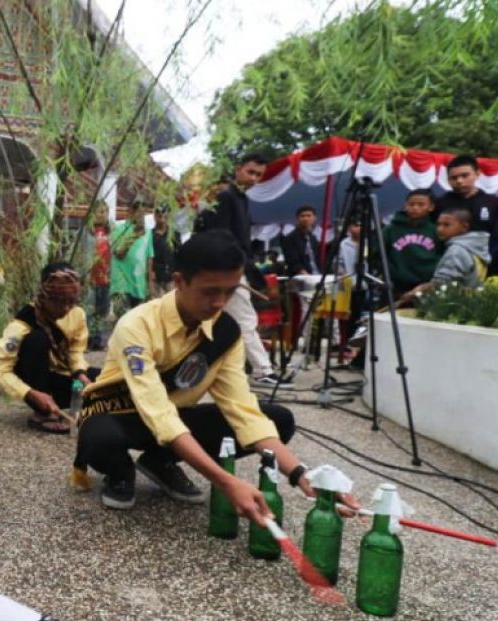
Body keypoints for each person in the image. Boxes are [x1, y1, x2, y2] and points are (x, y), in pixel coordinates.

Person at [71, 230, 348, 520]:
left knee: (278, 420)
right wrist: (226, 481)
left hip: (174, 416)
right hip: (121, 414)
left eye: (230, 292)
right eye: (210, 291)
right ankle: (120, 471)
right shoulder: (136, 326)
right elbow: (158, 413)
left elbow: (243, 411)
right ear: (179, 281)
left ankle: (159, 461)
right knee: (101, 437)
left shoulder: (225, 332)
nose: (220, 302)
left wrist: (301, 473)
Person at [196, 155, 285, 387]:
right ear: (238, 169)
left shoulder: (239, 198)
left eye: (258, 175)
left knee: (217, 321)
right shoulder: (227, 197)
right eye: (251, 172)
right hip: (228, 268)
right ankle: (262, 369)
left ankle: (213, 368)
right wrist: (233, 270)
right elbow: (222, 236)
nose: (254, 178)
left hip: (231, 267)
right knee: (244, 319)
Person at [0, 263, 98, 434]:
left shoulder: (77, 314)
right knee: (36, 339)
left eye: (70, 302)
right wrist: (30, 393)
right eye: (57, 302)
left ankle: (74, 404)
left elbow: (75, 350)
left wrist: (80, 373)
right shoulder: (22, 324)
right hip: (38, 383)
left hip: (65, 377)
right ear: (43, 295)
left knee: (111, 380)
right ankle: (42, 414)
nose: (64, 308)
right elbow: (1, 370)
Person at [397, 208, 490, 304]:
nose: (440, 229)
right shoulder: (475, 246)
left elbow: (441, 283)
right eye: (438, 224)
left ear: (464, 227)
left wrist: (415, 292)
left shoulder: (456, 251)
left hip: (456, 306)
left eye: (446, 225)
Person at [436, 154, 498, 264]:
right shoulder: (440, 203)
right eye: (453, 178)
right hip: (448, 263)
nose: (459, 181)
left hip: (485, 265)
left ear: (477, 174)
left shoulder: (492, 203)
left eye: (465, 176)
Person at [384, 189, 440, 298]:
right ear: (405, 205)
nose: (415, 208)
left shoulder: (435, 230)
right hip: (396, 285)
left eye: (421, 205)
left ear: (431, 207)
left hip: (426, 285)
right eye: (411, 204)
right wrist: (391, 272)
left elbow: (442, 254)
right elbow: (378, 254)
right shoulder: (391, 229)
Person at [109, 202, 154, 316]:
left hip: (139, 285)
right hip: (121, 285)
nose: (140, 215)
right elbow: (119, 253)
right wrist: (134, 236)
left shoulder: (148, 233)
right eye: (137, 210)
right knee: (123, 322)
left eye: (143, 211)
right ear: (129, 211)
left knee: (137, 324)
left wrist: (150, 287)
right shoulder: (118, 230)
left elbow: (149, 259)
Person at [89, 204, 113, 349]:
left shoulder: (111, 234)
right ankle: (89, 339)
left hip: (106, 277)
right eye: (99, 211)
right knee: (90, 310)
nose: (102, 214)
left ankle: (98, 340)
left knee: (102, 310)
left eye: (105, 211)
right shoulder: (87, 233)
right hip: (91, 277)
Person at [281, 206, 325, 276]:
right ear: (297, 219)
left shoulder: (313, 238)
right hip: (301, 277)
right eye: (302, 216)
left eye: (309, 216)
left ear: (314, 218)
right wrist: (307, 276)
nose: (305, 218)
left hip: (317, 275)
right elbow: (293, 263)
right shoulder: (290, 238)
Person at [151, 206, 177, 296]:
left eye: (164, 212)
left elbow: (179, 254)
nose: (161, 214)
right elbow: (147, 256)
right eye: (158, 212)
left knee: (172, 304)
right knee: (156, 306)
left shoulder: (174, 234)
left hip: (171, 277)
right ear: (154, 216)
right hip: (155, 278)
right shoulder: (150, 235)